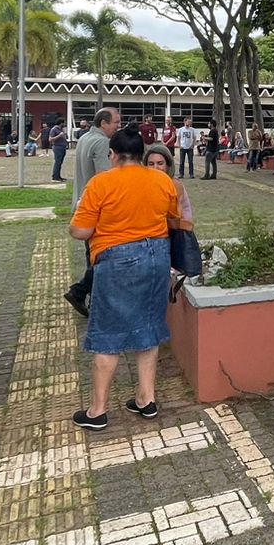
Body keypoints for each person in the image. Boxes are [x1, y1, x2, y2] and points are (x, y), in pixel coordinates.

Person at [68, 127, 179, 429]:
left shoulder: (101, 183)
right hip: (157, 258)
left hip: (118, 261)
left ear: (112, 155)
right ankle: (146, 398)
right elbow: (171, 217)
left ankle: (97, 411)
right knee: (149, 326)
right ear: (142, 155)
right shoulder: (161, 180)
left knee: (108, 333)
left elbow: (79, 231)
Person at [65, 108, 122, 316]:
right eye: (116, 121)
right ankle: (80, 292)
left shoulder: (85, 138)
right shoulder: (101, 143)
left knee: (94, 256)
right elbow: (103, 177)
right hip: (96, 208)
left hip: (83, 203)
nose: (118, 125)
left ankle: (87, 297)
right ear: (103, 123)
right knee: (102, 258)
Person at [145, 143, 198, 276]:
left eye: (160, 163)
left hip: (180, 237)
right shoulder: (148, 184)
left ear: (168, 165)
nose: (155, 168)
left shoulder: (174, 184)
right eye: (150, 164)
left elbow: (175, 221)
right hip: (160, 236)